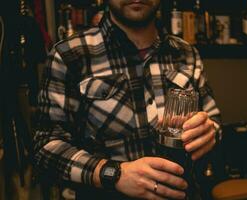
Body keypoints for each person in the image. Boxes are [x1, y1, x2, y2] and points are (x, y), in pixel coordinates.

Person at [33, 0, 221, 199]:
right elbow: (45, 148)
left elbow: (214, 122)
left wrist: (210, 133)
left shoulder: (187, 53)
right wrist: (113, 174)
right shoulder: (70, 54)